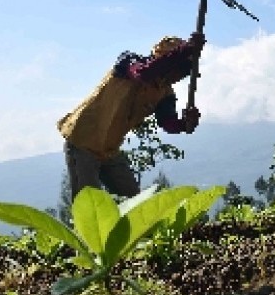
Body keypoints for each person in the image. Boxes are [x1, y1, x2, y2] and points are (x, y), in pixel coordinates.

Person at [58, 32, 205, 201]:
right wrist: (185, 51)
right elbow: (144, 74)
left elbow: (168, 123)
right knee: (88, 203)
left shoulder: (164, 93)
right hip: (82, 140)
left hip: (109, 150)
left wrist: (185, 124)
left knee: (134, 202)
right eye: (178, 69)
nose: (178, 77)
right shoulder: (129, 62)